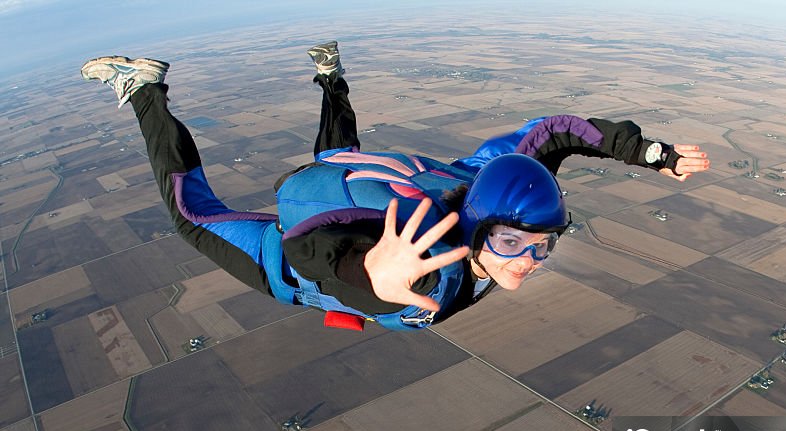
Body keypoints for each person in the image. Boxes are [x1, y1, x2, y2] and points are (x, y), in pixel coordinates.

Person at [80, 42, 710, 331]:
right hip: (297, 263)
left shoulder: (484, 175)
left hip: (355, 229)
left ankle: (330, 75)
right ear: (482, 225)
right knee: (192, 213)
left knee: (339, 156)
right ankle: (145, 90)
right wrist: (372, 282)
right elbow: (307, 253)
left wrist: (654, 154)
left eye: (544, 246)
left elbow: (555, 132)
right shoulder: (432, 274)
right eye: (517, 243)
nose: (532, 263)